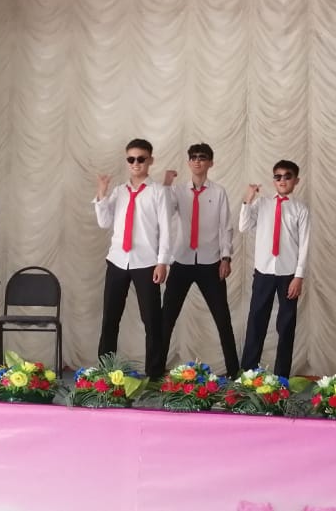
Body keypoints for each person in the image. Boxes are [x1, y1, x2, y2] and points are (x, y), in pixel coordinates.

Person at [94, 138, 173, 379]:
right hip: (117, 259)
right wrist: (101, 193)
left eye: (141, 158)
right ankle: (105, 371)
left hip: (146, 262)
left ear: (150, 160)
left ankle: (154, 373)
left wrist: (162, 261)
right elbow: (104, 222)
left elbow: (166, 229)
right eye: (131, 159)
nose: (135, 163)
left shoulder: (158, 192)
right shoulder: (119, 191)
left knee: (151, 320)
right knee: (110, 318)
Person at [159, 143, 239, 377]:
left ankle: (234, 372)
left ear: (210, 163)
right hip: (182, 261)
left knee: (222, 318)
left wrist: (226, 257)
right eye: (193, 157)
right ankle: (154, 371)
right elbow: (164, 212)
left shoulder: (218, 192)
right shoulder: (177, 191)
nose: (197, 161)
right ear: (188, 162)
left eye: (202, 157)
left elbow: (226, 227)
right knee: (166, 318)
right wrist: (166, 185)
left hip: (210, 262)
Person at [238, 160, 310, 378]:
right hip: (263, 272)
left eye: (287, 176)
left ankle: (281, 377)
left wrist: (299, 276)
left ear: (296, 181)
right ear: (273, 180)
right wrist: (248, 200)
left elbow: (305, 245)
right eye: (278, 177)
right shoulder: (262, 204)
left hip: (288, 274)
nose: (282, 180)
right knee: (256, 321)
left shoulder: (300, 209)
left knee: (286, 325)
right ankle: (248, 372)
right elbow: (243, 226)